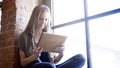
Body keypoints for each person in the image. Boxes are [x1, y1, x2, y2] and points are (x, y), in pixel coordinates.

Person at [18, 5, 85, 68]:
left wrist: (61, 54)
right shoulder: (24, 36)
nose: (43, 22)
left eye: (46, 19)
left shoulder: (48, 36)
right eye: (40, 18)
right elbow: (23, 63)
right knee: (50, 66)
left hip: (51, 66)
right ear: (34, 18)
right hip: (36, 66)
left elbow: (54, 61)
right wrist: (34, 56)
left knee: (80, 58)